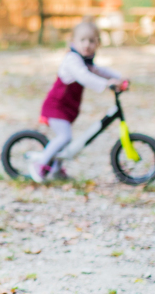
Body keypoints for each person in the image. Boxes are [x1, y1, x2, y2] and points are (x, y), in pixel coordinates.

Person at [28, 19, 126, 183]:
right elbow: (84, 77)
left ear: (98, 44)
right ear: (73, 42)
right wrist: (107, 84)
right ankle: (40, 164)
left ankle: (56, 170)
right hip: (56, 106)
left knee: (65, 140)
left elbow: (100, 71)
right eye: (82, 40)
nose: (87, 44)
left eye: (91, 41)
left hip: (67, 109)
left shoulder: (85, 60)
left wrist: (119, 77)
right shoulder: (72, 59)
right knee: (65, 137)